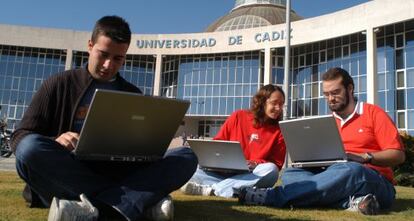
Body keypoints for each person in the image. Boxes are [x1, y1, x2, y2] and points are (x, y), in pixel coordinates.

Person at [11, 15, 198, 221]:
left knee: (186, 157)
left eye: (118, 58)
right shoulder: (58, 84)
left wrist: (151, 140)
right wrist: (55, 141)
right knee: (29, 148)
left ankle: (98, 207)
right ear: (90, 46)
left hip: (117, 171)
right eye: (103, 54)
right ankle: (134, 203)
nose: (108, 65)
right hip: (70, 172)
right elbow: (20, 136)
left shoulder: (132, 93)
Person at [239, 67, 406, 215]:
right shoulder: (326, 123)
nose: (330, 99)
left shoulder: (373, 113)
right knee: (291, 174)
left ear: (350, 89)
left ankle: (271, 196)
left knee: (350, 169)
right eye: (326, 94)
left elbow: (398, 155)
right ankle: (352, 202)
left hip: (372, 179)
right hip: (332, 175)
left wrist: (364, 157)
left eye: (335, 92)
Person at [181, 84, 286, 198]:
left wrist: (255, 163)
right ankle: (234, 189)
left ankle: (213, 190)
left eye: (281, 104)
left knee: (271, 170)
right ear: (262, 101)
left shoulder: (279, 130)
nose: (278, 108)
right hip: (223, 173)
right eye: (274, 103)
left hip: (251, 175)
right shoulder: (238, 116)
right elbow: (218, 143)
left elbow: (276, 164)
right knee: (192, 168)